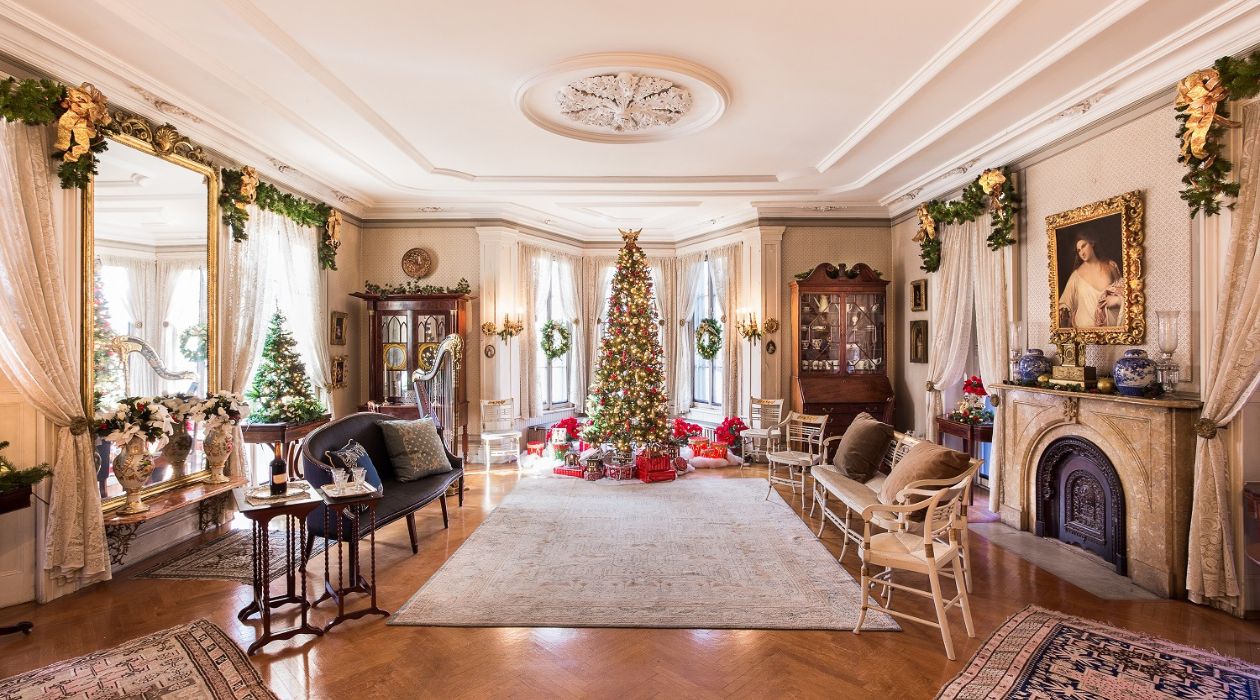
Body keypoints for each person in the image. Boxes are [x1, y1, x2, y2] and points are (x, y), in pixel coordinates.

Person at [1058, 231, 1122, 328]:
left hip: (1111, 331)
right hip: (1085, 332)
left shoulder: (1110, 266)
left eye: (1083, 246)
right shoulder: (1076, 276)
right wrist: (1063, 310)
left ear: (1092, 243)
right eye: (1078, 250)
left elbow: (1123, 292)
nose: (1082, 253)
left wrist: (1117, 300)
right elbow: (1065, 303)